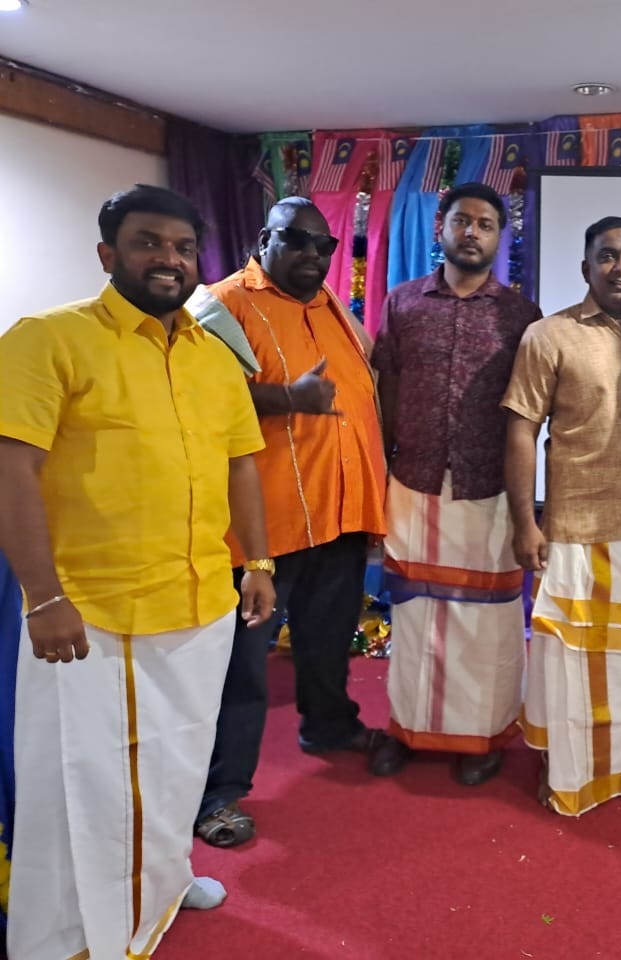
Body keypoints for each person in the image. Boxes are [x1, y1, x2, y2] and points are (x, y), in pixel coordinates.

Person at [0, 185, 275, 959]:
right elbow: (12, 469)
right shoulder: (47, 339)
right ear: (107, 254)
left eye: (184, 248)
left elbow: (242, 466)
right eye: (151, 243)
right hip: (92, 610)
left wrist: (256, 560)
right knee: (80, 782)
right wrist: (42, 595)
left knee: (178, 761)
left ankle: (158, 877)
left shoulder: (213, 357)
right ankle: (65, 937)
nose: (170, 260)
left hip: (197, 600)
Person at [198, 197, 387, 848]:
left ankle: (329, 725)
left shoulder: (330, 303)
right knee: (243, 668)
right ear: (263, 239)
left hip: (336, 517)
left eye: (322, 245)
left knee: (328, 639)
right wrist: (288, 400)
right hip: (261, 531)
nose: (311, 255)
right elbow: (195, 392)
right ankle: (219, 794)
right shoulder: (221, 304)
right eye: (295, 241)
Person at [368, 182, 542, 784]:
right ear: (441, 228)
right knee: (415, 617)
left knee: (487, 622)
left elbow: (531, 411)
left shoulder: (520, 316)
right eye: (462, 221)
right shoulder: (403, 303)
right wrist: (382, 470)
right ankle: (407, 728)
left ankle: (484, 736)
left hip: (487, 487)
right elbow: (384, 388)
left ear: (501, 237)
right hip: (413, 480)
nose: (473, 232)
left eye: (486, 224)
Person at [503, 216, 621, 815]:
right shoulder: (548, 336)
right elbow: (522, 429)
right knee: (571, 661)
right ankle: (570, 760)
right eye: (607, 256)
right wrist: (526, 522)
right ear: (586, 268)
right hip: (576, 524)